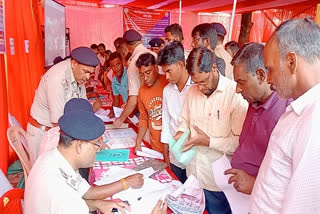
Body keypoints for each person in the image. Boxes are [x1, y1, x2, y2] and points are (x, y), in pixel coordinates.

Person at [250, 18, 320, 213]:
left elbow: (303, 207)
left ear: (291, 62)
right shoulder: (302, 108)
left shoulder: (315, 120)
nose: (269, 79)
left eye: (270, 68)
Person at [25, 105, 142, 214]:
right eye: (96, 144)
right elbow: (71, 204)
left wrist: (97, 204)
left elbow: (84, 191)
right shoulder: (63, 198)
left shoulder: (53, 158)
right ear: (79, 145)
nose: (98, 149)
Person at [175, 47, 248, 214]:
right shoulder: (192, 91)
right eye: (196, 82)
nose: (200, 87)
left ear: (214, 68)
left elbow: (239, 143)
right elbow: (184, 122)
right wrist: (180, 135)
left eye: (203, 81)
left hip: (217, 182)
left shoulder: (235, 94)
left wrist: (208, 141)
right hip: (193, 174)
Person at [223, 43, 290, 194]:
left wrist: (255, 184)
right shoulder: (253, 100)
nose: (238, 89)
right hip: (237, 190)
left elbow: (289, 175)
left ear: (260, 75)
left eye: (241, 82)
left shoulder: (286, 111)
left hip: (259, 195)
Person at [27, 47, 102, 165]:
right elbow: (58, 122)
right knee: (47, 175)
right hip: (43, 133)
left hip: (58, 133)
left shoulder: (78, 77)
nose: (88, 77)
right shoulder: (57, 78)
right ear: (74, 63)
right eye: (85, 71)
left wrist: (95, 136)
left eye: (91, 73)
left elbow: (83, 111)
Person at [157, 41, 191, 183]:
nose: (166, 77)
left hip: (193, 159)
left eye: (168, 71)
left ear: (180, 65)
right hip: (175, 157)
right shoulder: (167, 91)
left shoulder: (196, 88)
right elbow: (165, 124)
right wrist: (166, 156)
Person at [113, 30, 157, 128]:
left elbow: (134, 98)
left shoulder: (133, 63)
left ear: (127, 46)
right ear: (140, 41)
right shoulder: (154, 55)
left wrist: (120, 120)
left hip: (145, 111)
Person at [134, 53, 167, 155]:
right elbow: (143, 118)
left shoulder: (167, 82)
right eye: (141, 75)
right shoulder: (142, 91)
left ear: (156, 68)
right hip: (156, 148)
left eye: (148, 72)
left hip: (173, 149)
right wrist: (138, 142)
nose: (145, 78)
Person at [108, 52, 128, 118]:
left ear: (122, 62)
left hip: (135, 110)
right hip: (127, 111)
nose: (116, 68)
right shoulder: (114, 80)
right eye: (112, 66)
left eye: (118, 64)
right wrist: (112, 111)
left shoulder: (129, 74)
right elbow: (116, 100)